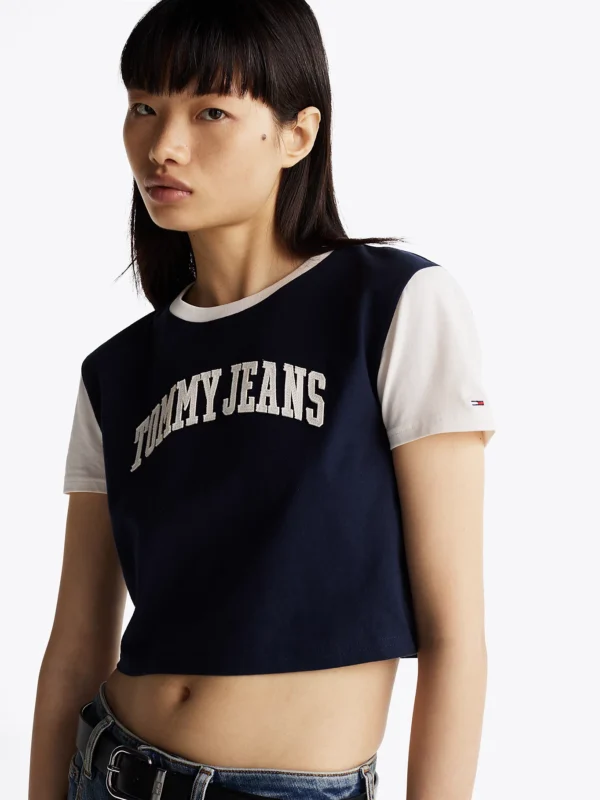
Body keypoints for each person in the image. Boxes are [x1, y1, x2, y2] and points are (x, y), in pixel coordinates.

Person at [28, 1, 496, 799]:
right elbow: (76, 645)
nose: (163, 145)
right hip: (106, 769)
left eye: (210, 111)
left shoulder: (393, 306)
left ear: (296, 135)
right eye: (144, 107)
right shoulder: (117, 371)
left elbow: (456, 636)